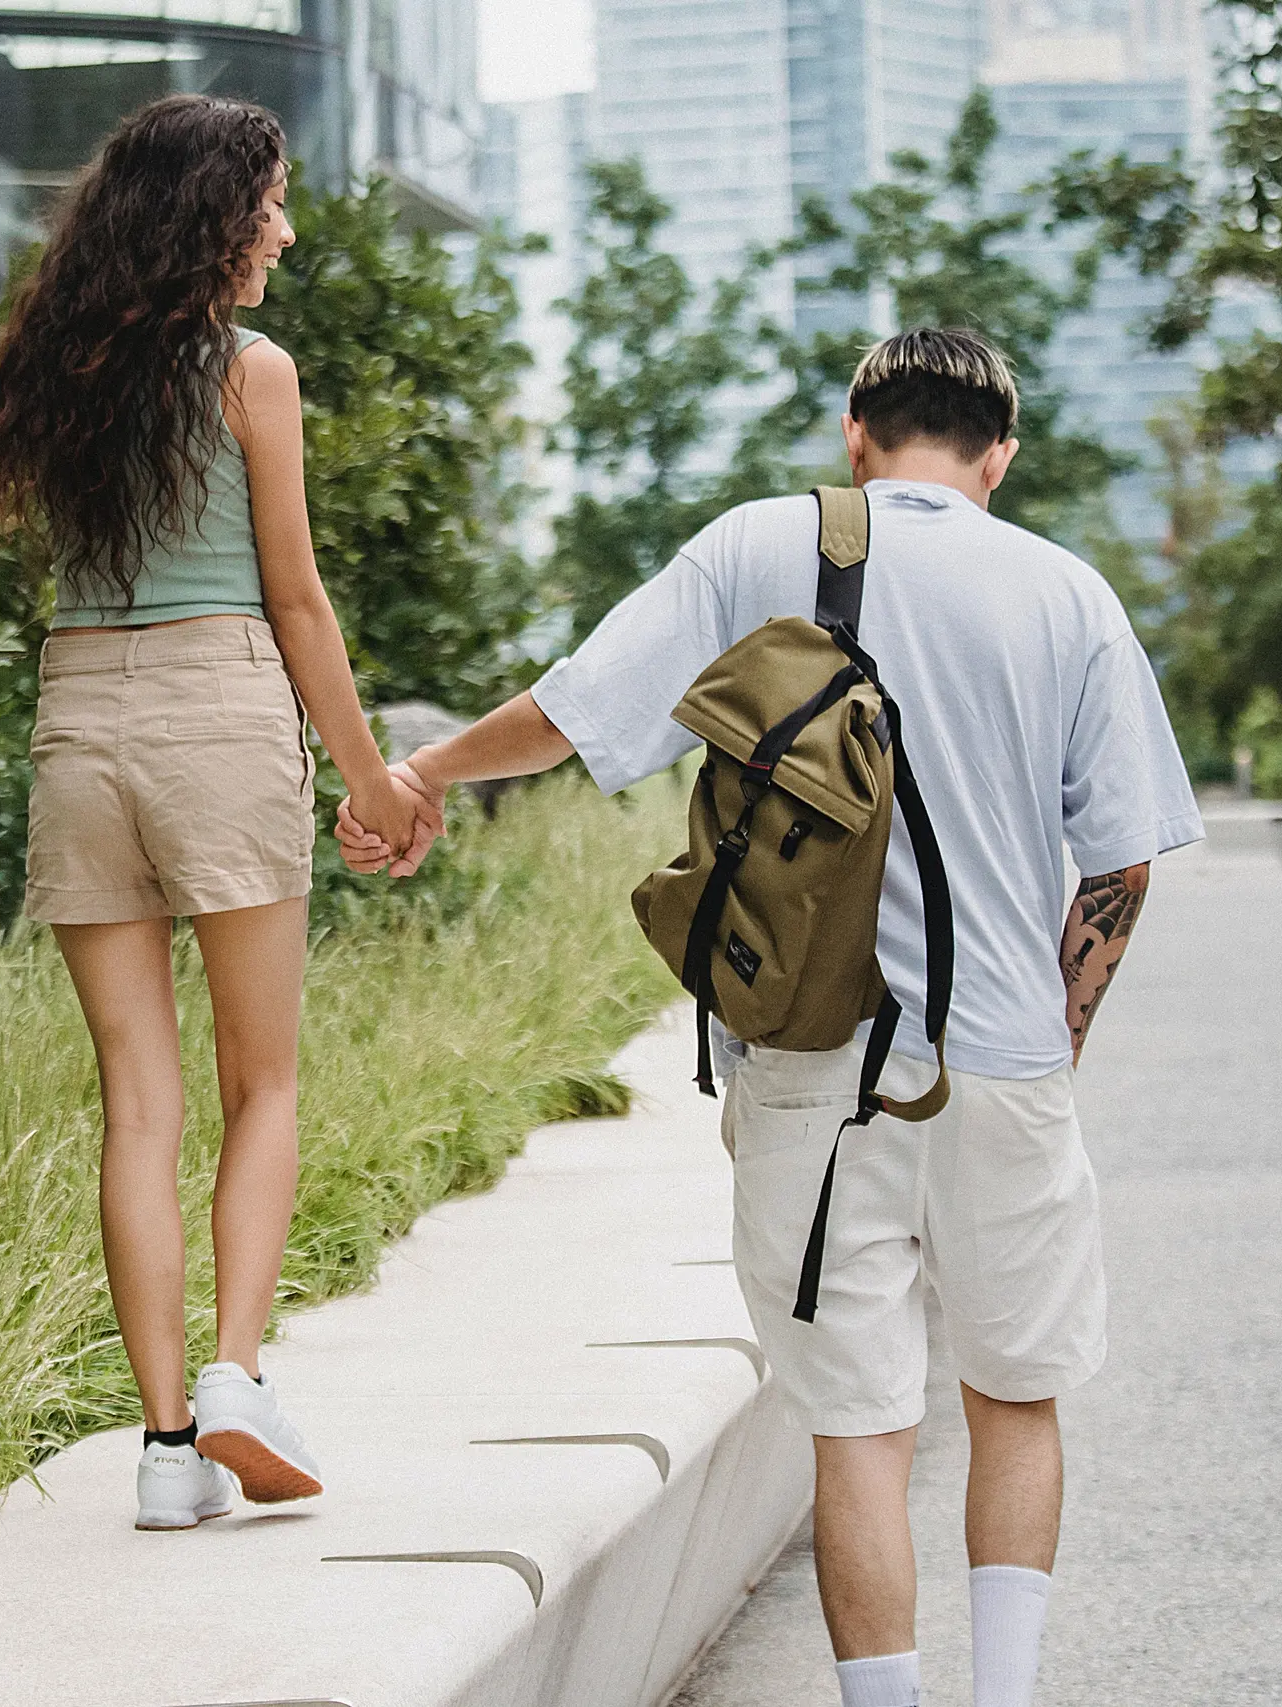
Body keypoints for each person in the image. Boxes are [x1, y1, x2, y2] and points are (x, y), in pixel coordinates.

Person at [338, 328, 1201, 1707]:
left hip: (815, 1059)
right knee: (1016, 1396)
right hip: (1009, 1061)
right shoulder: (1067, 594)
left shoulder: (760, 546)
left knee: (858, 1428)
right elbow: (1122, 864)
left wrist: (421, 771)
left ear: (857, 433)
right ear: (1001, 455)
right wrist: (1048, 1041)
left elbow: (577, 710)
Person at [0, 94, 434, 1532]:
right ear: (218, 216)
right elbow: (293, 598)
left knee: (136, 1105)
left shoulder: (59, 368)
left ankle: (165, 1450)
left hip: (80, 719)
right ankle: (234, 1374)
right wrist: (373, 779)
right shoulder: (251, 371)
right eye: (270, 203)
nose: (284, 227)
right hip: (219, 707)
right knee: (261, 1082)